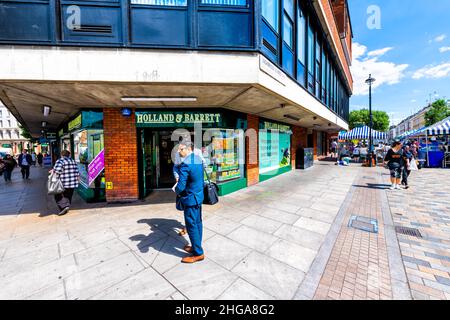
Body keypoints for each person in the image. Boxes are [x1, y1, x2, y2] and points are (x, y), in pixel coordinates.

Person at [175, 141, 205, 264]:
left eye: (180, 149)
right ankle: (196, 246)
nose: (178, 151)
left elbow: (181, 186)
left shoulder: (186, 164)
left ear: (188, 149)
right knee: (197, 223)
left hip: (190, 199)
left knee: (191, 225)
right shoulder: (197, 158)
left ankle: (198, 253)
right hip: (198, 196)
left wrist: (176, 190)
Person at [51, 150, 79, 216]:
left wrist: (52, 172)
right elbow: (77, 171)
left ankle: (64, 207)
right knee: (68, 195)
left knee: (57, 194)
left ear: (61, 155)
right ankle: (67, 206)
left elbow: (57, 171)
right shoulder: (73, 161)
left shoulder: (60, 161)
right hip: (72, 182)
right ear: (69, 155)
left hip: (63, 182)